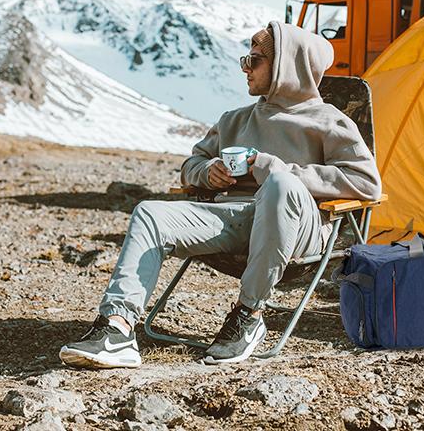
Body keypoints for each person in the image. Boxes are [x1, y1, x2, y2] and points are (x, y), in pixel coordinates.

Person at [59, 21, 381, 368]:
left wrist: (278, 169)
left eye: (254, 60)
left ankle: (249, 315)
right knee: (150, 212)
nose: (244, 67)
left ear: (286, 65)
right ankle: (118, 328)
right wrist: (207, 172)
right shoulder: (235, 119)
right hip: (233, 222)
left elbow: (366, 182)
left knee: (280, 185)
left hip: (298, 231)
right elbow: (191, 164)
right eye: (245, 58)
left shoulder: (329, 121)